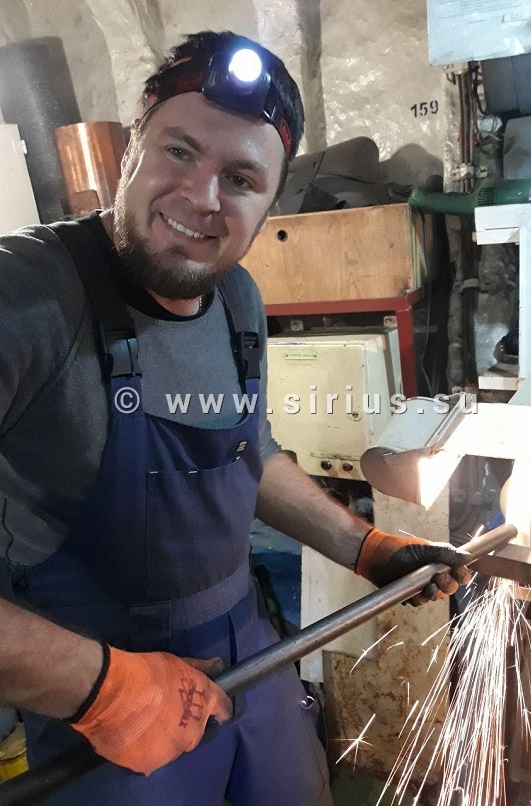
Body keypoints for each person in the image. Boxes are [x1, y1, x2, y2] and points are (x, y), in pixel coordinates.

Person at [0, 30, 470, 805]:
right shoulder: (27, 297)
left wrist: (366, 546)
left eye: (241, 178)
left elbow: (247, 451)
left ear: (268, 204)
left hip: (249, 657)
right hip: (101, 698)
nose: (201, 197)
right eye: (179, 152)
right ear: (131, 147)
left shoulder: (235, 299)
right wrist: (94, 686)